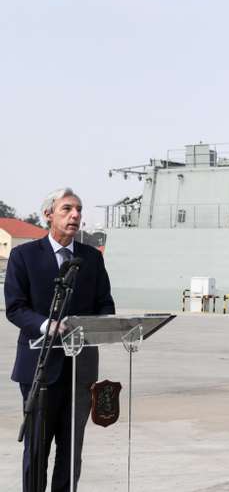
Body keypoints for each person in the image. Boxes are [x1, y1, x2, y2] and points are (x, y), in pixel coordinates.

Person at [4, 188, 115, 492]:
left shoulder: (91, 258)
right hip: (38, 370)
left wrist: (99, 324)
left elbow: (105, 304)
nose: (75, 215)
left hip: (80, 372)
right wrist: (46, 325)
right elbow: (15, 308)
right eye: (67, 209)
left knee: (71, 454)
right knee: (37, 451)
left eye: (78, 209)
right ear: (49, 215)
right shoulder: (23, 256)